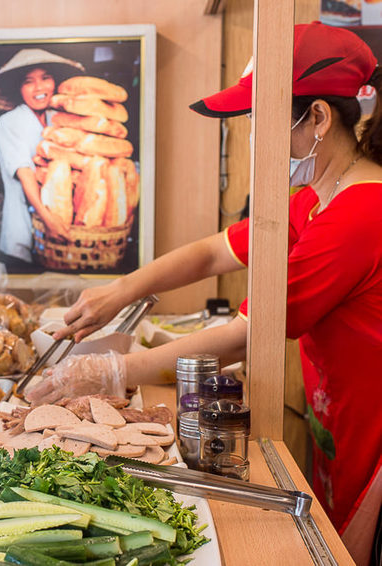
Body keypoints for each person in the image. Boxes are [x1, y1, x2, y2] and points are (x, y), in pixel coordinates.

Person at [27, 22, 382, 563]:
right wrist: (119, 290)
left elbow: (250, 333)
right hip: (341, 416)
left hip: (372, 429)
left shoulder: (361, 213)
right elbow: (215, 252)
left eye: (260, 118)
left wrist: (112, 371)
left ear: (317, 117)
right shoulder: (318, 197)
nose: (253, 135)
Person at [0, 48, 84, 264]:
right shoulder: (10, 122)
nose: (39, 87)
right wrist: (48, 219)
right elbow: (25, 174)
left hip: (60, 239)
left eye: (45, 78)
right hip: (24, 234)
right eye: (28, 81)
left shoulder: (58, 119)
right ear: (18, 88)